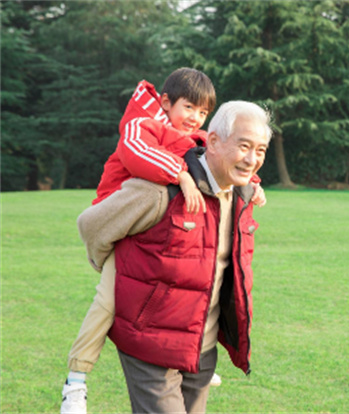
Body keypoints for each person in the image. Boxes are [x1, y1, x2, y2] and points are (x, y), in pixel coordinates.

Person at [61, 70, 265, 413]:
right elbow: (92, 226)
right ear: (166, 103)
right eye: (244, 146)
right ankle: (76, 379)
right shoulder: (151, 162)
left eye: (259, 149)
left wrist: (253, 182)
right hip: (149, 342)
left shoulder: (233, 188)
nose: (195, 119)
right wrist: (116, 260)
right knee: (104, 303)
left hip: (199, 351)